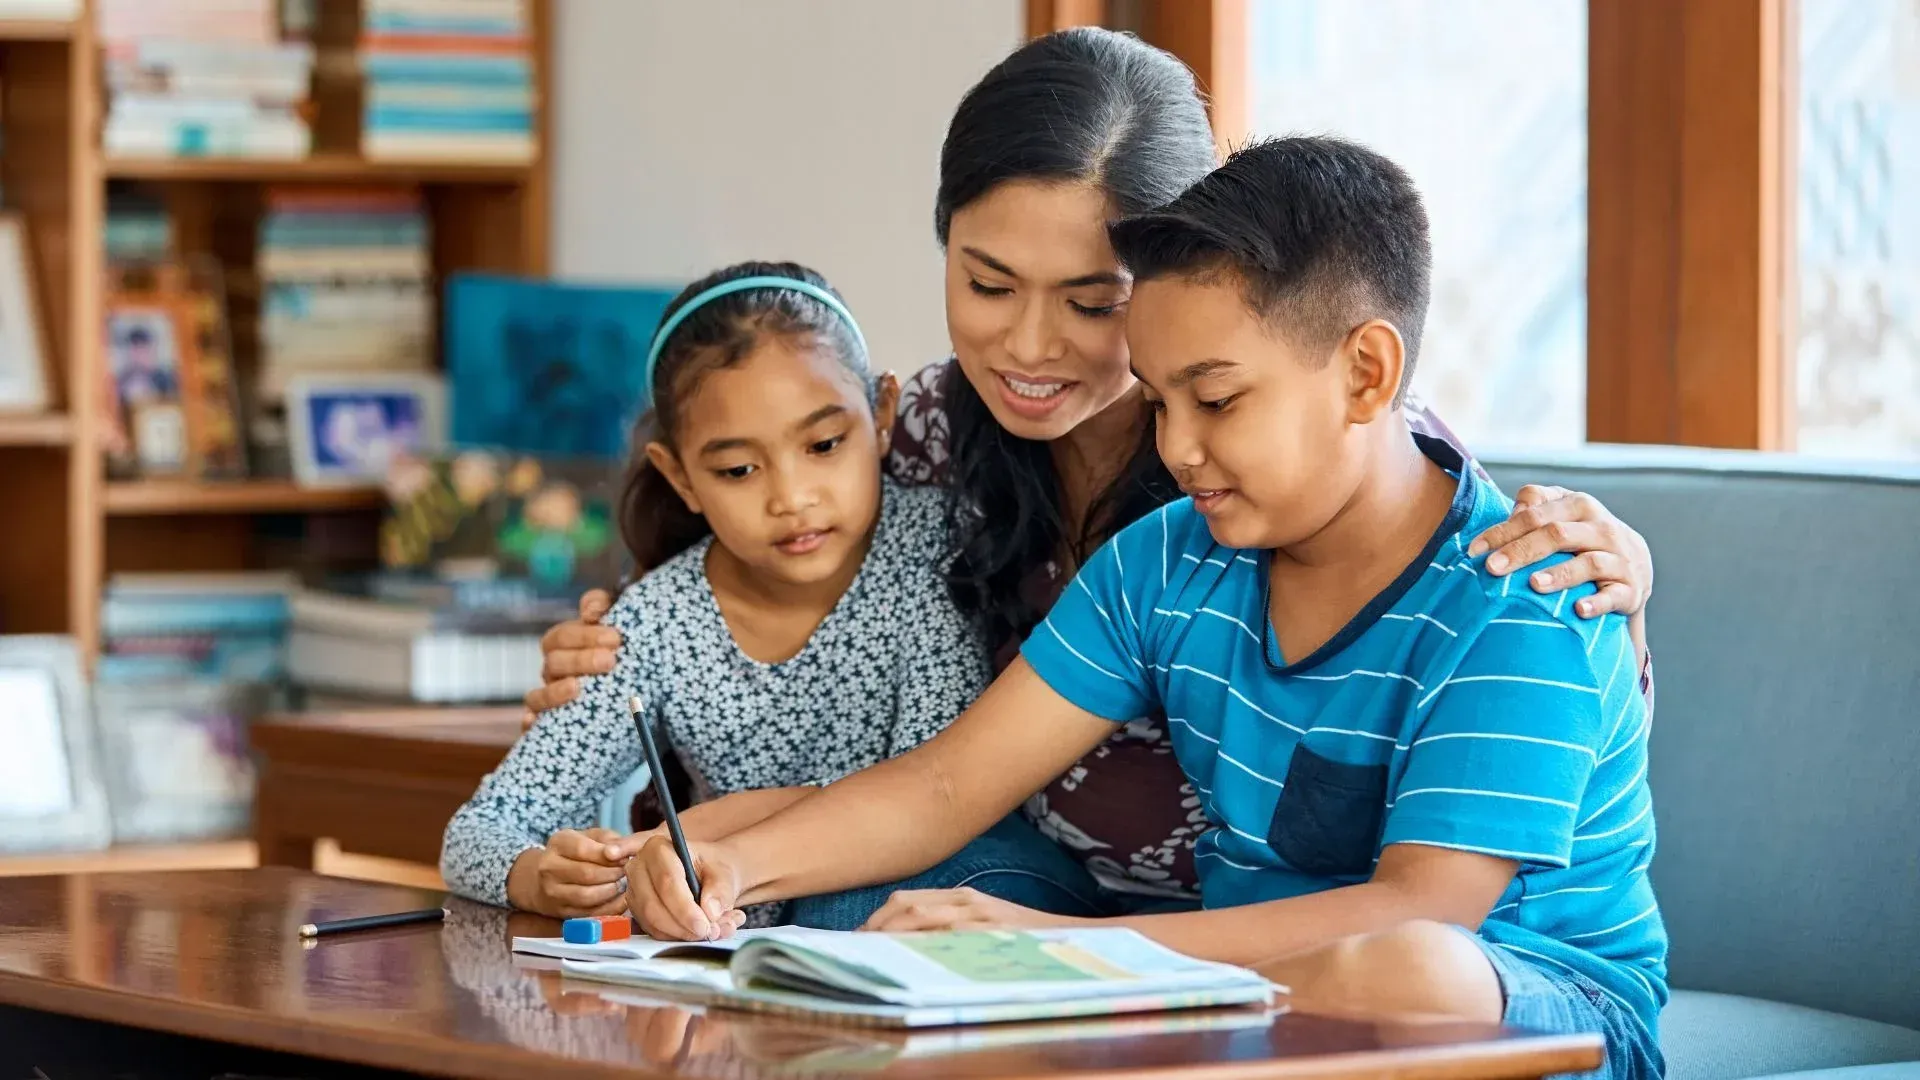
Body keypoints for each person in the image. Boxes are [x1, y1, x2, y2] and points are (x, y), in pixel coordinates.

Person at [530, 28, 1657, 925]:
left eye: (1092, 303)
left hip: (1266, 932)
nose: (1029, 346)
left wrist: (1622, 576)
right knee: (842, 891)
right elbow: (834, 691)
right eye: (987, 282)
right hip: (1015, 878)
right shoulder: (903, 432)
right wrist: (631, 653)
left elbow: (1502, 634)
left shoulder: (1326, 455)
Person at [625, 136, 1665, 1079]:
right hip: (1230, 1002)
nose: (1175, 449)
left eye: (1214, 401)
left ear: (1366, 373)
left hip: (1527, 1013)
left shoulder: (1527, 592)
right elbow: (947, 786)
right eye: (1160, 403)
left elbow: (1422, 913)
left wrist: (1049, 956)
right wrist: (729, 862)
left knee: (1410, 968)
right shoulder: (1167, 560)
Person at [441, 261, 1088, 920]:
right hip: (756, 920)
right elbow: (478, 831)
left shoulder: (932, 549)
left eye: (825, 444)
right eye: (739, 469)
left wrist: (699, 834)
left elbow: (928, 791)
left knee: (852, 903)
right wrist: (538, 876)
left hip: (961, 874)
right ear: (682, 476)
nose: (791, 498)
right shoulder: (656, 620)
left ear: (882, 413)